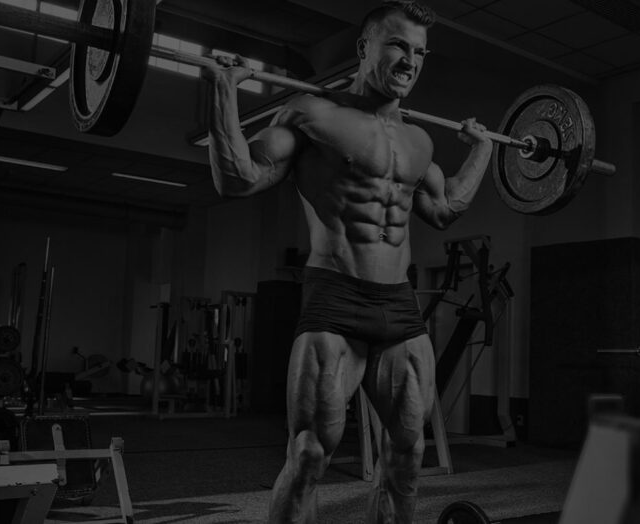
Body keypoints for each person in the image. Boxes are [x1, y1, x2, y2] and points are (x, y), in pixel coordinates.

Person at [202, 1, 492, 522]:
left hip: (399, 307)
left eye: (420, 52)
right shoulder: (312, 114)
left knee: (409, 456)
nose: (411, 60)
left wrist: (483, 151)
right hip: (334, 299)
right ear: (365, 48)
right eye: (399, 45)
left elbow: (444, 209)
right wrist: (224, 90)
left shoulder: (419, 140)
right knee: (311, 453)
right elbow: (237, 178)